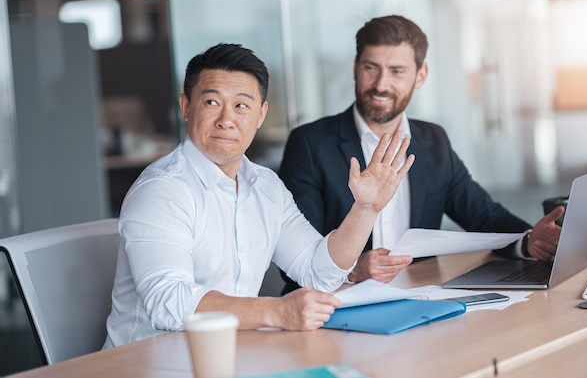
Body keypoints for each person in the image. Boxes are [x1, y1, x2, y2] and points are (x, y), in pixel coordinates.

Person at [103, 43, 414, 348]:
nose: (227, 119)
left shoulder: (266, 187)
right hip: (148, 364)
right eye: (212, 103)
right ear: (186, 107)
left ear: (261, 115)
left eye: (241, 106)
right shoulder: (163, 190)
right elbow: (168, 302)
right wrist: (275, 311)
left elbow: (318, 273)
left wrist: (365, 209)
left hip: (232, 359)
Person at [278, 15, 564, 294]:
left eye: (397, 71)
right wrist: (353, 268)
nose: (381, 84)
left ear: (420, 75)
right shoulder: (310, 144)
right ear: (355, 68)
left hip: (418, 296)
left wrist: (530, 241)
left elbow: (484, 217)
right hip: (332, 305)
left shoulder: (433, 140)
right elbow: (296, 255)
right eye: (370, 68)